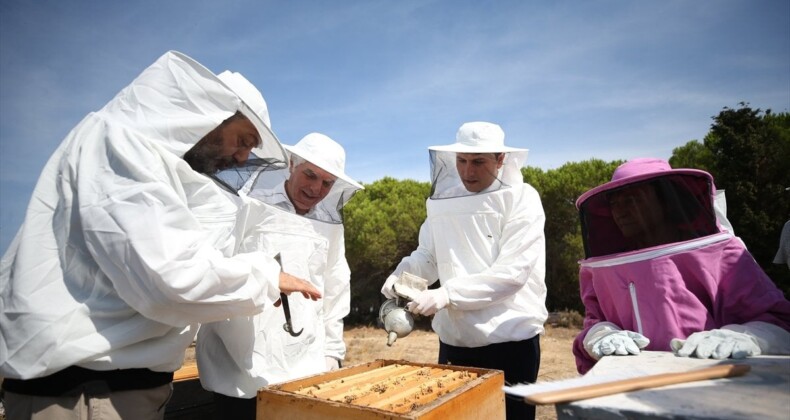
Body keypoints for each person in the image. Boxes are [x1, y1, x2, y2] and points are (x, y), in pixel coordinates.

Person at [0, 51, 321, 420]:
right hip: (85, 394)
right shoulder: (120, 143)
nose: (241, 157)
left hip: (108, 389)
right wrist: (266, 276)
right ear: (210, 114)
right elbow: (173, 280)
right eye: (243, 140)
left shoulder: (139, 154)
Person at [380, 121, 548, 420]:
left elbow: (512, 274)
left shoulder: (523, 199)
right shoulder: (444, 202)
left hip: (510, 344)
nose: (468, 171)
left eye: (478, 162)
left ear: (501, 159)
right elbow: (428, 254)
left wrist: (446, 295)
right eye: (462, 161)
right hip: (454, 342)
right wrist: (402, 276)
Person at [196, 133, 363, 419]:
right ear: (291, 164)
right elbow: (214, 266)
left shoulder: (330, 226)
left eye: (327, 183)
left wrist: (332, 351)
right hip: (239, 362)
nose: (316, 188)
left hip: (305, 362)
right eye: (310, 175)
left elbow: (335, 285)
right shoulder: (248, 204)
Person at [572, 158, 790, 374]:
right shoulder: (604, 267)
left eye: (632, 199)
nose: (620, 211)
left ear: (665, 201)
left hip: (715, 387)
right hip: (629, 390)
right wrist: (600, 334)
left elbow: (779, 322)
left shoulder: (723, 253)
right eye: (614, 203)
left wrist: (747, 336)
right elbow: (595, 320)